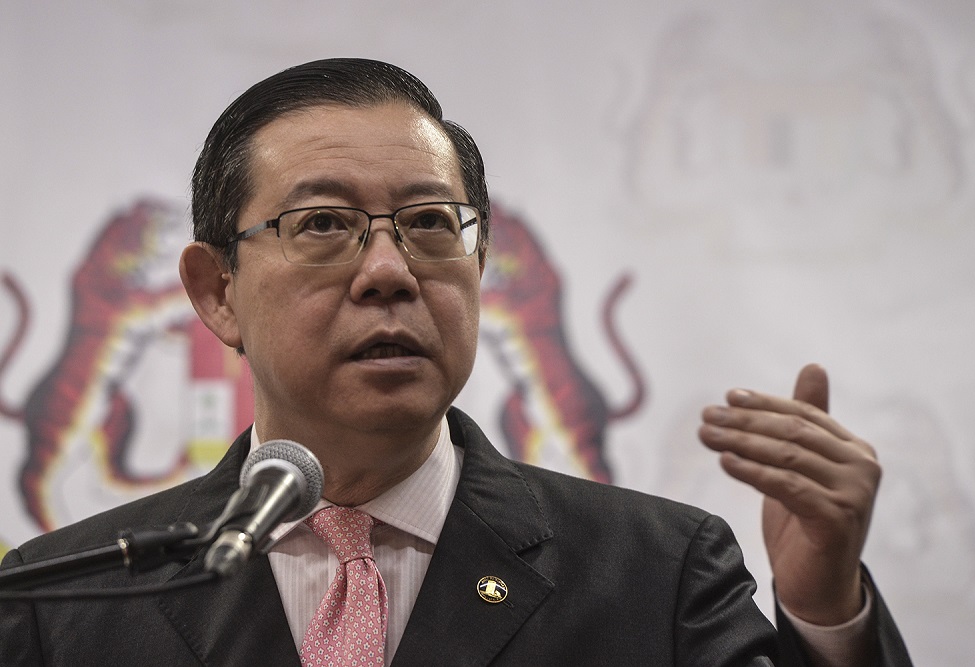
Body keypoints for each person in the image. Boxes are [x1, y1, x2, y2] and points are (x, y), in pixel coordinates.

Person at [0, 58, 910, 666]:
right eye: (323, 224)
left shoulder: (656, 570)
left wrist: (826, 609)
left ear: (477, 267)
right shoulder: (69, 596)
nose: (390, 271)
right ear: (217, 292)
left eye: (432, 225)